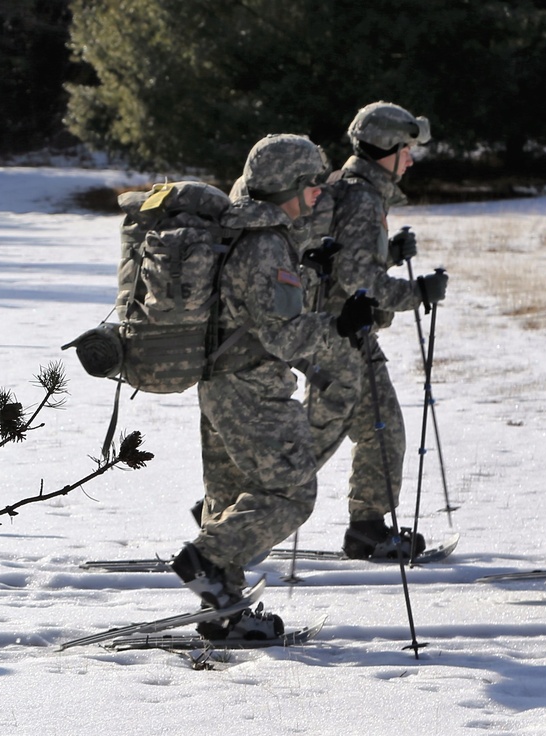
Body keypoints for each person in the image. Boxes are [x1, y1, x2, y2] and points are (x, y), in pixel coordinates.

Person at [170, 134, 377, 637]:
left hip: (220, 384)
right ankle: (207, 561)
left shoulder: (246, 233)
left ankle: (224, 612)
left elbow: (254, 310)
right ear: (286, 184)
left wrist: (307, 273)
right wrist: (340, 325)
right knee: (292, 492)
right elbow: (284, 337)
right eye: (310, 184)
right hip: (253, 390)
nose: (317, 193)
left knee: (228, 496)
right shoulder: (265, 244)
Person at [307, 101, 449, 560]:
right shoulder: (363, 199)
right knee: (325, 436)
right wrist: (419, 292)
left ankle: (367, 527)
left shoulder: (352, 190)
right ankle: (236, 512)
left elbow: (348, 263)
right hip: (339, 339)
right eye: (406, 149)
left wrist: (387, 253)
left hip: (341, 336)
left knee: (373, 430)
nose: (410, 158)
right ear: (387, 147)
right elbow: (358, 281)